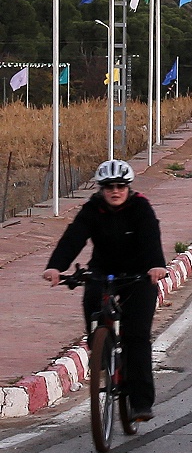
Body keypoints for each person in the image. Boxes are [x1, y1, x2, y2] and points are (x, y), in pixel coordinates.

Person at [42, 160, 168, 422]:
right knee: (91, 301)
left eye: (121, 186)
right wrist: (56, 267)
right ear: (101, 189)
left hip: (139, 274)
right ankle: (99, 347)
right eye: (109, 187)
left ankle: (141, 403)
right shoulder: (92, 209)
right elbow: (73, 237)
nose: (115, 191)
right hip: (103, 269)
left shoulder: (140, 207)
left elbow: (150, 237)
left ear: (128, 188)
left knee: (136, 337)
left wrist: (157, 265)